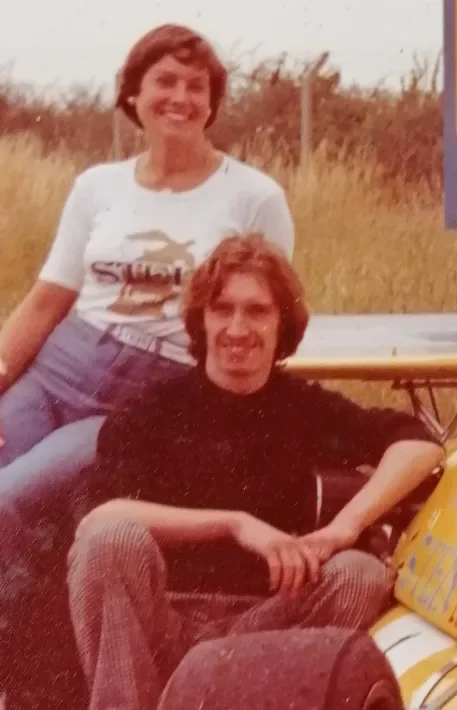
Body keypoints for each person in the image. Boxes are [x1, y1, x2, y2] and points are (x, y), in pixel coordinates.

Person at [0, 23, 295, 708]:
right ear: (133, 93)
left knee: (9, 500)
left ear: (213, 104)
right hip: (59, 363)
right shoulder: (96, 184)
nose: (180, 97)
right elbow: (48, 298)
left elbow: (268, 309)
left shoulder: (253, 197)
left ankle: (17, 677)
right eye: (164, 80)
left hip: (141, 389)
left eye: (197, 86)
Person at [64, 235, 444, 710]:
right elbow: (98, 518)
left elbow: (419, 443)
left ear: (282, 323)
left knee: (359, 573)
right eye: (222, 309)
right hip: (158, 621)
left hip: (269, 629)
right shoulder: (150, 411)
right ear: (201, 320)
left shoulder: (308, 408)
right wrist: (236, 524)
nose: (237, 328)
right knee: (109, 542)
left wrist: (344, 528)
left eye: (257, 311)